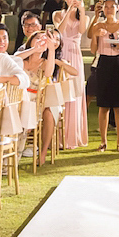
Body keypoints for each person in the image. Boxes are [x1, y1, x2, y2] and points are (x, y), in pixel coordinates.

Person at [88, 0, 119, 152]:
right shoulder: (98, 26)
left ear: (117, 8)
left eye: (112, 6)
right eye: (106, 7)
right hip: (104, 63)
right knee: (103, 105)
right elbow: (93, 50)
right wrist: (96, 36)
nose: (109, 9)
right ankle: (103, 142)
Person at [53, 0, 90, 148]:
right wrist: (68, 11)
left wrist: (80, 10)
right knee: (60, 93)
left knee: (75, 94)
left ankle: (73, 135)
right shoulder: (57, 14)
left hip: (75, 55)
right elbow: (59, 31)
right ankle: (58, 136)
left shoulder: (85, 16)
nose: (73, 0)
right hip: (61, 53)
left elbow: (81, 30)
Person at [34, 28, 78, 166]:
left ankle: (43, 152)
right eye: (52, 38)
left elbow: (74, 72)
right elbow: (46, 69)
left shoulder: (60, 59)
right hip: (35, 95)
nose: (55, 41)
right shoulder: (38, 56)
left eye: (58, 39)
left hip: (52, 96)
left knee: (50, 111)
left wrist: (60, 62)